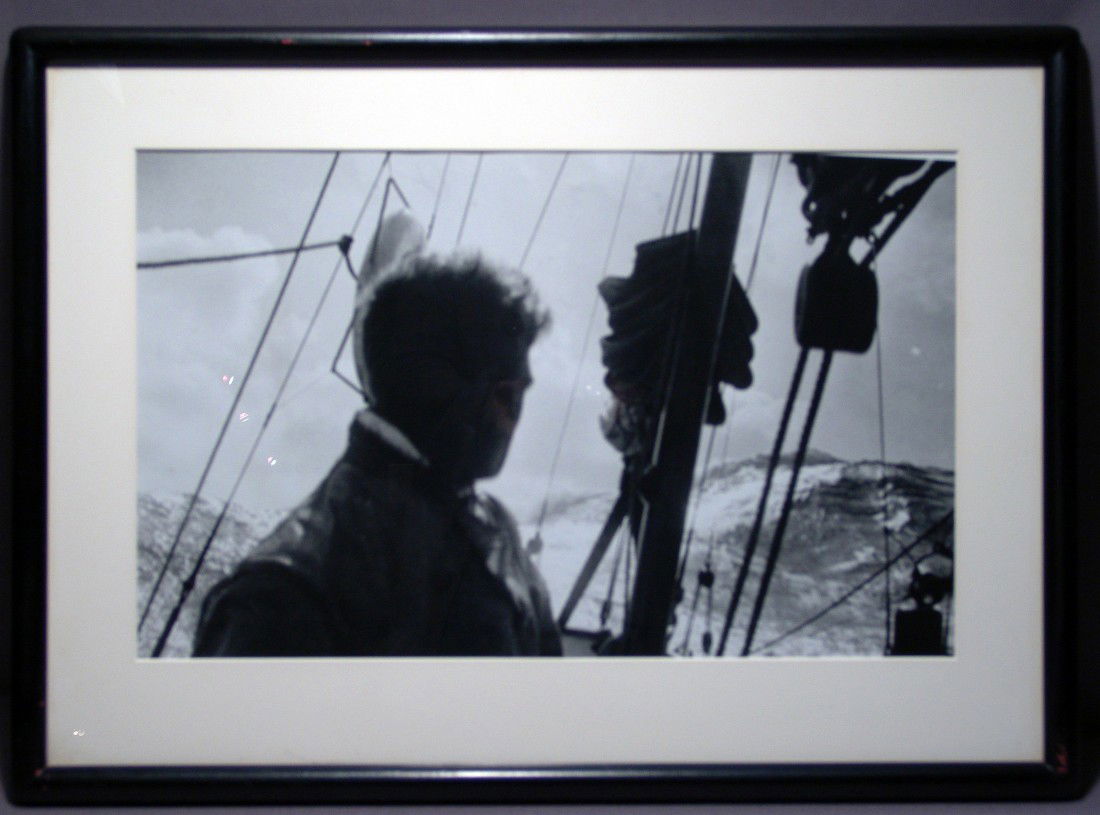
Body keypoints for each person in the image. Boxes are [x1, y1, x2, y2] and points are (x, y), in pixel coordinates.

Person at [192, 215, 561, 656]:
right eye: (507, 397)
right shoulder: (280, 597)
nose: (513, 420)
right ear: (441, 389)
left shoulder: (496, 528)